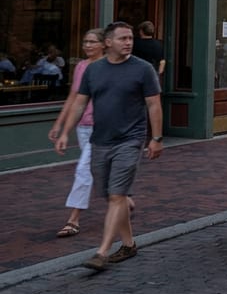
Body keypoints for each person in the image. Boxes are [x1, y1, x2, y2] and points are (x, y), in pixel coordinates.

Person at [54, 21, 165, 269]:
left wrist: (155, 138)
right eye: (122, 39)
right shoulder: (94, 71)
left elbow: (154, 104)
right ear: (108, 42)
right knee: (113, 196)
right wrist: (65, 132)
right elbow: (80, 103)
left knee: (116, 195)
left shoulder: (143, 69)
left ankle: (103, 252)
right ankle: (128, 244)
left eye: (130, 38)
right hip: (100, 140)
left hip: (130, 139)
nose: (128, 43)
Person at [48, 28, 105, 239]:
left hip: (103, 127)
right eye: (85, 42)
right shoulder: (81, 66)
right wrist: (60, 126)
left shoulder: (109, 66)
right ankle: (124, 199)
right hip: (83, 126)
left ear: (103, 44)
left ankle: (73, 219)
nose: (87, 46)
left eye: (92, 42)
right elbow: (73, 98)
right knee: (96, 168)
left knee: (83, 169)